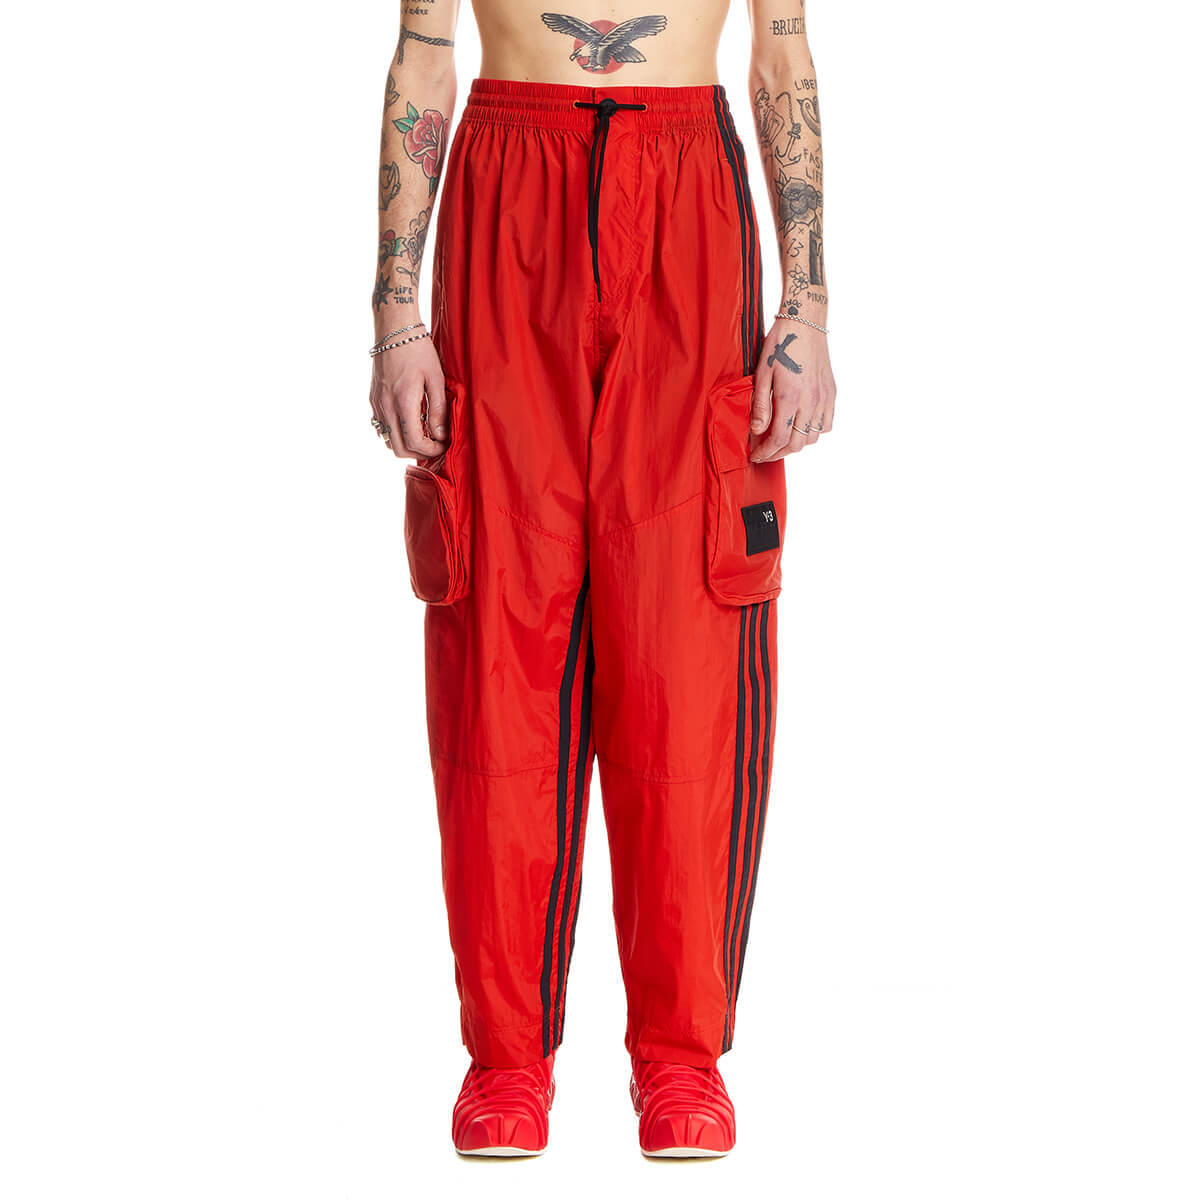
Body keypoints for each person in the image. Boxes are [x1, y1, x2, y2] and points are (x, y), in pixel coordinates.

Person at [368, 0, 835, 1159]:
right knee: (497, 624)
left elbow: (781, 51)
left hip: (687, 190)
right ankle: (505, 1059)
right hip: (505, 186)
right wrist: (395, 311)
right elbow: (424, 52)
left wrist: (806, 307)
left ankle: (681, 1055)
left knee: (686, 641)